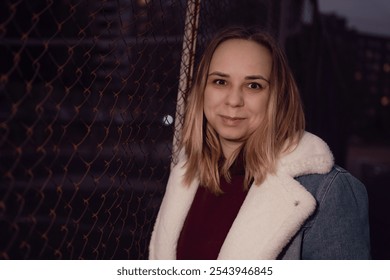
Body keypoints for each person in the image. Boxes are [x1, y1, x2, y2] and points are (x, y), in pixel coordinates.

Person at [149, 26, 370, 260]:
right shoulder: (186, 174)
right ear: (202, 89)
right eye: (220, 82)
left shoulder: (328, 190)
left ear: (277, 97)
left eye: (253, 85)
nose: (234, 100)